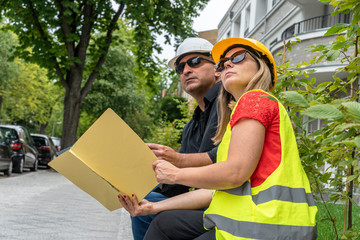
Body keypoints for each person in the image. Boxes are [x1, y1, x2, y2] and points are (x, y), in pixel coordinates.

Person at [119, 37, 318, 239]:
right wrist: (153, 207)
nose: (228, 64)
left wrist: (177, 172)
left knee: (166, 225)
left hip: (267, 225)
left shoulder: (254, 99)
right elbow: (213, 190)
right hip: (260, 221)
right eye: (222, 64)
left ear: (261, 65)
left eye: (239, 57)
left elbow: (234, 173)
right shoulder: (236, 115)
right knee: (164, 223)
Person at [130, 37, 222, 240]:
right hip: (202, 199)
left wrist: (179, 160)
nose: (186, 70)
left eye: (195, 62)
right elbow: (176, 187)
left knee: (164, 221)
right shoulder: (192, 124)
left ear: (217, 68)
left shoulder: (229, 103)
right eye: (180, 68)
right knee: (137, 198)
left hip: (223, 199)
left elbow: (225, 159)